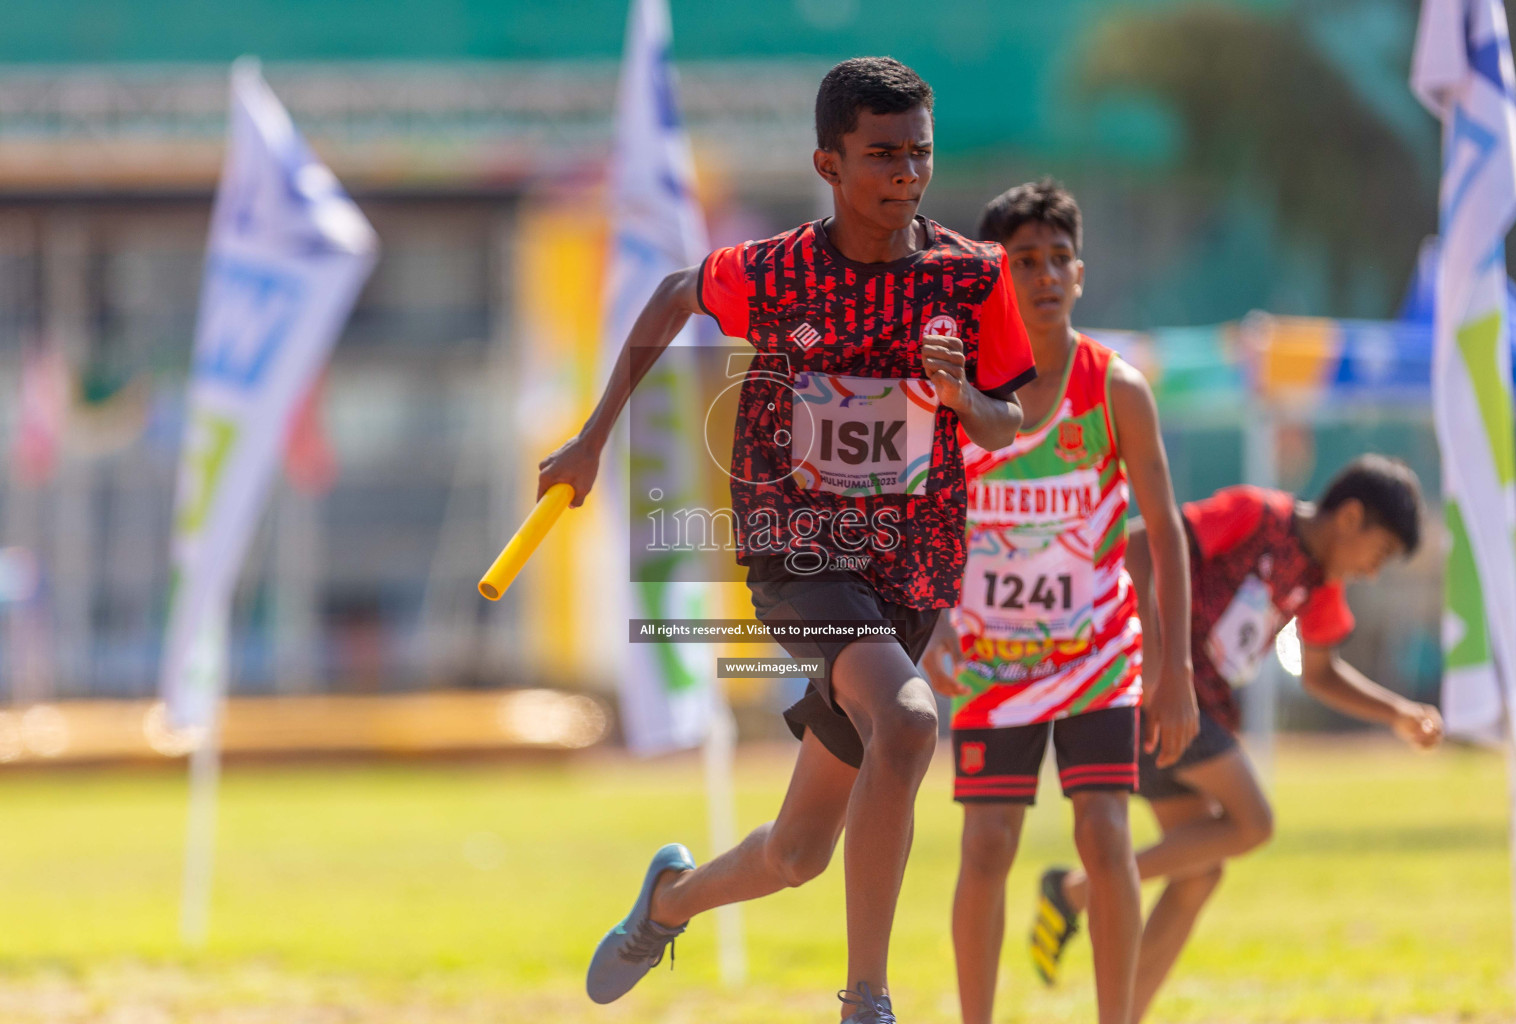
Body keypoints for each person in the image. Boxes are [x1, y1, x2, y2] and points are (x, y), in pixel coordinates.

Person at [538, 57, 1038, 1023]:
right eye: (882, 155)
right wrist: (594, 435)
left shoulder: (971, 279)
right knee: (909, 720)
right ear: (828, 160)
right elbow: (677, 295)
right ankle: (868, 1001)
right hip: (795, 547)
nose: (907, 174)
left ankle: (668, 901)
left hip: (914, 559)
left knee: (801, 853)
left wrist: (960, 392)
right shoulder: (776, 271)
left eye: (920, 154)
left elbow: (1001, 423)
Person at [1029, 456, 1445, 1024]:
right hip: (1152, 693)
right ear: (1350, 517)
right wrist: (1157, 670)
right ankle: (1077, 891)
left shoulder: (1319, 583)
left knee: (1201, 871)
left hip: (1197, 711)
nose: (1372, 573)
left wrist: (1397, 714)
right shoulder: (1255, 514)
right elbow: (1141, 548)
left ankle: (1115, 1004)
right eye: (1378, 556)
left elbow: (1320, 671)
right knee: (1253, 822)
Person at [920, 179, 1198, 1024]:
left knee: (1106, 835)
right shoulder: (957, 392)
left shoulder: (1116, 389)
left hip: (1097, 654)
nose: (1044, 275)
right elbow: (922, 516)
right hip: (992, 658)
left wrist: (1174, 667)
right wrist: (930, 624)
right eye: (1023, 261)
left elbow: (1165, 529)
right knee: (987, 845)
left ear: (1081, 273)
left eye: (1059, 259)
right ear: (995, 278)